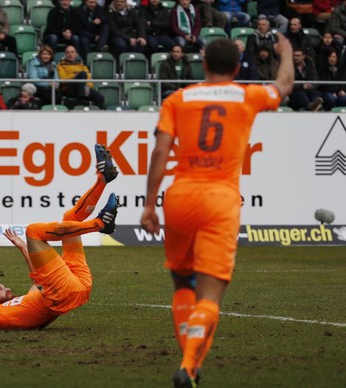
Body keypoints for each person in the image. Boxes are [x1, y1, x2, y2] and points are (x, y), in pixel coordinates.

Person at [140, 35, 293, 387]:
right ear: (237, 68)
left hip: (180, 196)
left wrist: (150, 204)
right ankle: (188, 365)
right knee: (210, 295)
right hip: (221, 199)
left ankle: (191, 369)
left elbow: (160, 153)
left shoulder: (178, 99)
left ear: (203, 64)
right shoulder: (247, 95)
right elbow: (284, 84)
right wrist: (285, 53)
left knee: (181, 281)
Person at [0, 144, 120, 330]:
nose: (7, 289)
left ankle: (102, 179)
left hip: (76, 284)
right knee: (33, 231)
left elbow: (40, 278)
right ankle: (99, 224)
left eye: (2, 286)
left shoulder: (25, 302)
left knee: (70, 219)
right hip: (63, 292)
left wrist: (23, 248)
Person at [57, 45, 105, 109]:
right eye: (68, 52)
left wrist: (87, 86)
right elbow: (63, 79)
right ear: (65, 54)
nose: (70, 54)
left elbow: (89, 80)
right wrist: (75, 75)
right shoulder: (60, 66)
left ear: (76, 54)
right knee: (82, 74)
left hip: (83, 88)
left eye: (72, 52)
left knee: (100, 98)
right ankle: (82, 99)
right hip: (69, 88)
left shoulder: (82, 66)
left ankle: (97, 114)